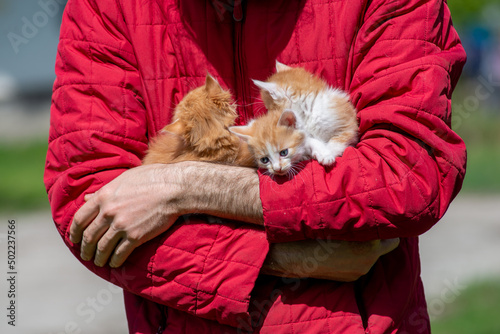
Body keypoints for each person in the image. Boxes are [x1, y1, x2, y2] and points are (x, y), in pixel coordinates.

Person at [44, 0, 466, 333]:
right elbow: (88, 203)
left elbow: (409, 172)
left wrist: (186, 186)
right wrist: (286, 258)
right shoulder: (104, 7)